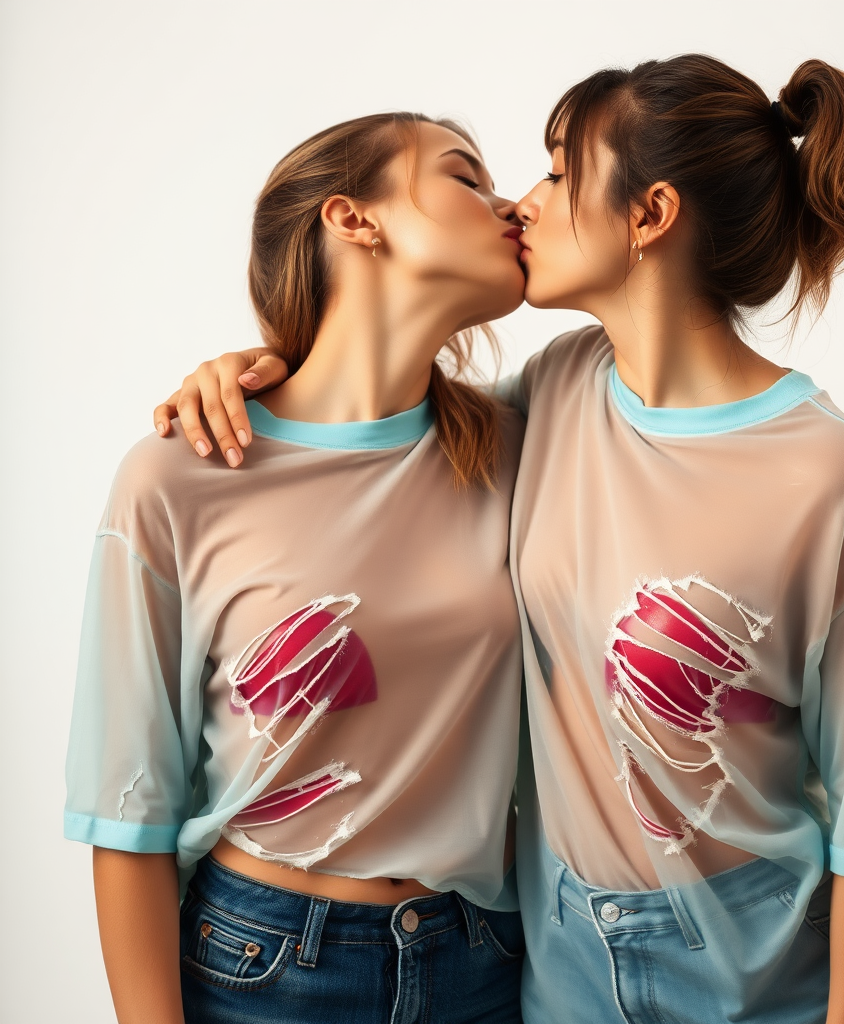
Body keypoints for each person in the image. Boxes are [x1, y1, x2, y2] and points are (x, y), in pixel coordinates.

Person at [155, 56, 844, 1024]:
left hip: (772, 973)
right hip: (556, 975)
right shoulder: (558, 391)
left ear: (648, 214)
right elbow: (374, 439)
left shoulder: (832, 474)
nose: (523, 202)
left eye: (561, 173)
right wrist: (260, 372)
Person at [65, 112, 529, 1024]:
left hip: (486, 959)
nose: (510, 204)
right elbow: (128, 809)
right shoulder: (182, 472)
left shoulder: (529, 445)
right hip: (261, 964)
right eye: (466, 178)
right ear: (354, 219)